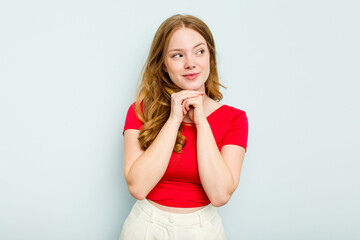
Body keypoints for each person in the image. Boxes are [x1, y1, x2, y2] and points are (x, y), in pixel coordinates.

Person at [119, 14, 248, 240]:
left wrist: (200, 121)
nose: (190, 63)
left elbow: (219, 195)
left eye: (199, 51)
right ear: (163, 66)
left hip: (202, 230)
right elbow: (138, 187)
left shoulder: (234, 119)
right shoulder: (140, 111)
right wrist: (173, 119)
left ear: (211, 58)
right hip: (144, 227)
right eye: (177, 55)